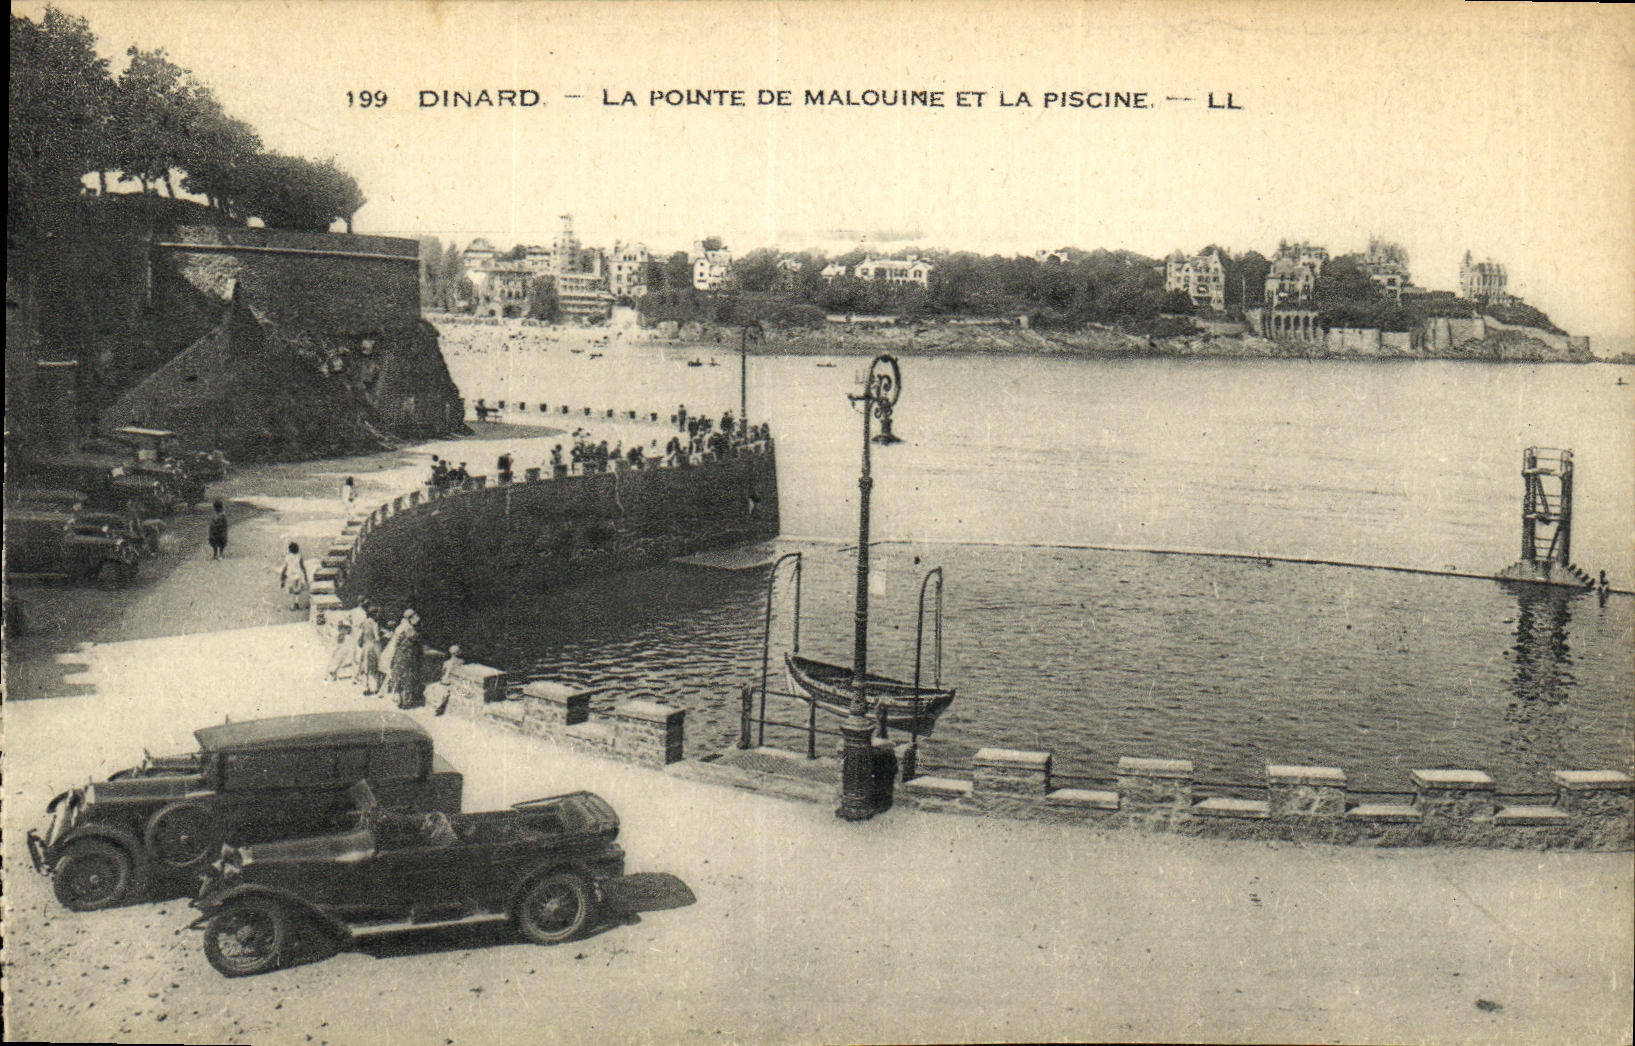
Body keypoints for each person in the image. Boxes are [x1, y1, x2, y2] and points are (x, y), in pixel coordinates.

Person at [382, 609, 424, 709]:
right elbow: (416, 640)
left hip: (399, 655)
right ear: (410, 618)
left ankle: (400, 700)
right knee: (407, 678)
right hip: (407, 656)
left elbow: (396, 643)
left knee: (400, 678)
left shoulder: (400, 627)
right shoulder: (409, 629)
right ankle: (406, 702)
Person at [325, 603, 364, 681]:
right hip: (343, 638)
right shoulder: (340, 615)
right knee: (343, 655)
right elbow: (345, 627)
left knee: (338, 655)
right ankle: (333, 672)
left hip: (338, 637)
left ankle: (333, 672)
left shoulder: (331, 615)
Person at [423, 643, 464, 715]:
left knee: (432, 689)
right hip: (450, 682)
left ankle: (435, 707)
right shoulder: (461, 661)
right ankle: (436, 707)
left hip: (446, 682)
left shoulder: (447, 663)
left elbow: (443, 673)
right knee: (437, 690)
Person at [356, 604, 384, 695]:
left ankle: (366, 687)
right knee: (373, 668)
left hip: (365, 647)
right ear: (374, 614)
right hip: (373, 647)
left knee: (366, 668)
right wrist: (383, 636)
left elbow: (360, 635)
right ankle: (374, 687)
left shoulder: (364, 623)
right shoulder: (374, 624)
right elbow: (377, 638)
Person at [279, 542, 309, 611]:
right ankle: (296, 603)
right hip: (298, 575)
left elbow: (285, 567)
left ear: (289, 549)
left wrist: (282, 577)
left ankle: (292, 605)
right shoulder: (299, 557)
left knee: (291, 591)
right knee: (297, 590)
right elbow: (302, 567)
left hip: (290, 575)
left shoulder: (287, 557)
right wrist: (305, 576)